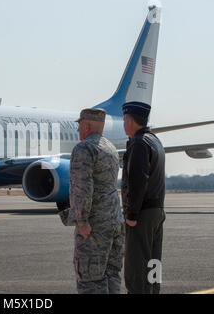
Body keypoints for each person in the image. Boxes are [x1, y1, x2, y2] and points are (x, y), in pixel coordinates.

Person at [59, 108, 125, 294]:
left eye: (80, 126)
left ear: (86, 125)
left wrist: (81, 221)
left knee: (90, 279)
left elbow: (82, 188)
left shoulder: (84, 149)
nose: (78, 130)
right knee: (111, 274)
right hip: (114, 221)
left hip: (95, 225)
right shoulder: (110, 148)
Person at [121, 101, 166, 294]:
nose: (123, 124)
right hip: (157, 211)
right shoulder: (155, 140)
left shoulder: (139, 143)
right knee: (154, 264)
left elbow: (139, 181)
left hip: (142, 215)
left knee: (136, 267)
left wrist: (131, 214)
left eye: (124, 119)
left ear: (130, 120)